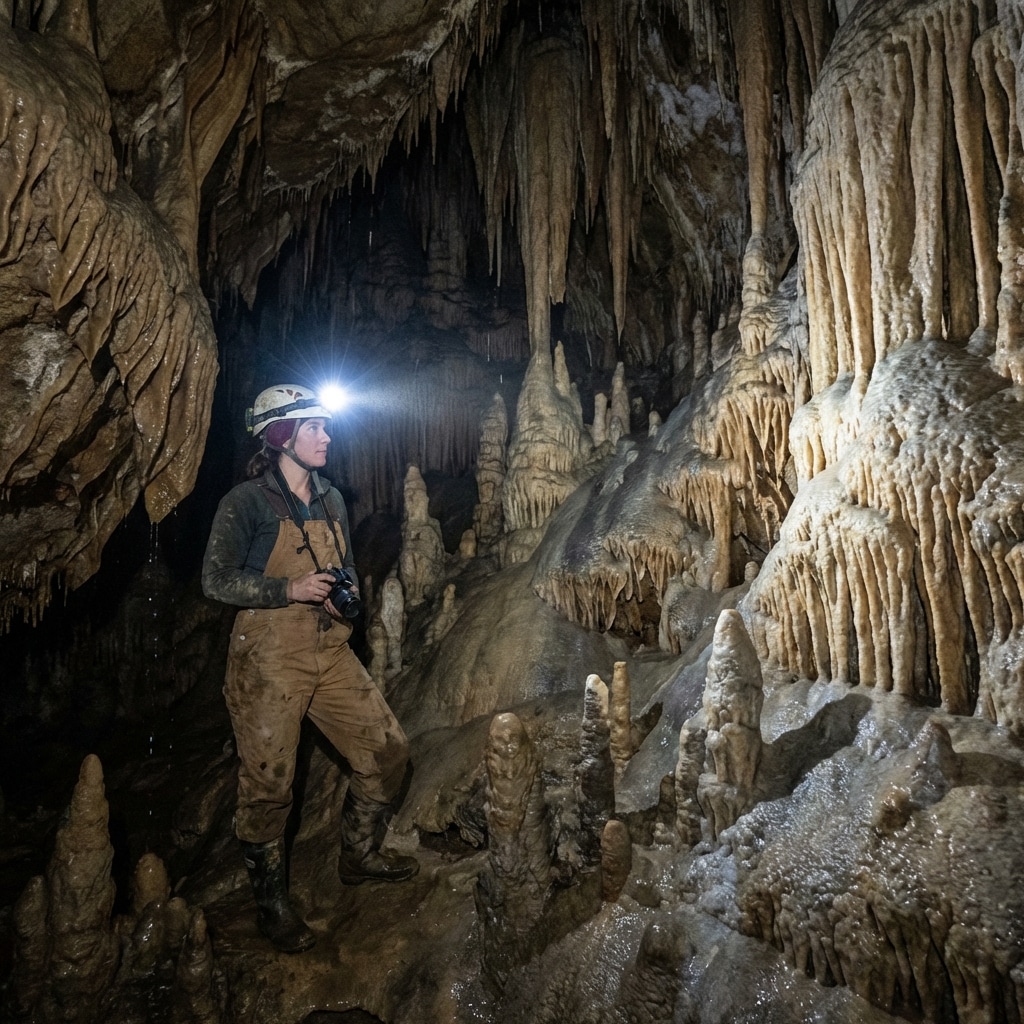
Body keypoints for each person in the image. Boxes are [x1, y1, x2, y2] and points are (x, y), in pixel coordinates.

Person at [202, 383, 418, 954]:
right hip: (268, 659)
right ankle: (272, 907)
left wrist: (342, 597)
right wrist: (288, 589)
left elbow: (343, 565)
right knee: (269, 787)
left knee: (388, 751)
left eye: (326, 426)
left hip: (329, 648)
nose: (326, 437)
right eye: (314, 428)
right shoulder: (246, 503)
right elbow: (215, 579)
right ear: (281, 436)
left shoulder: (331, 498)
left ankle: (358, 854)